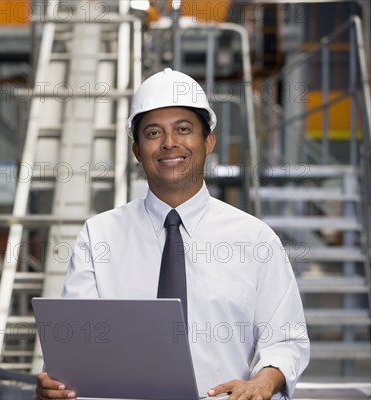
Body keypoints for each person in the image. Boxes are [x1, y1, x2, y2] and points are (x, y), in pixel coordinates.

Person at [36, 68, 310, 400]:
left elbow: (285, 339)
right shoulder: (99, 237)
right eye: (153, 133)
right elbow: (80, 350)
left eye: (183, 129)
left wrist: (263, 382)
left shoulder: (255, 240)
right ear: (137, 151)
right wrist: (58, 386)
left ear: (208, 142)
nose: (169, 144)